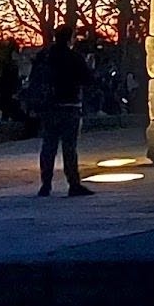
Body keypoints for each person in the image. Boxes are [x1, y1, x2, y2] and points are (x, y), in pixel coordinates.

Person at [36, 25, 96, 198]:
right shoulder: (74, 57)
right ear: (70, 38)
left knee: (48, 145)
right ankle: (73, 183)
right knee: (69, 147)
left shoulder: (45, 56)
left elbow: (37, 79)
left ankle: (45, 184)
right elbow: (87, 79)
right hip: (69, 105)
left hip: (49, 106)